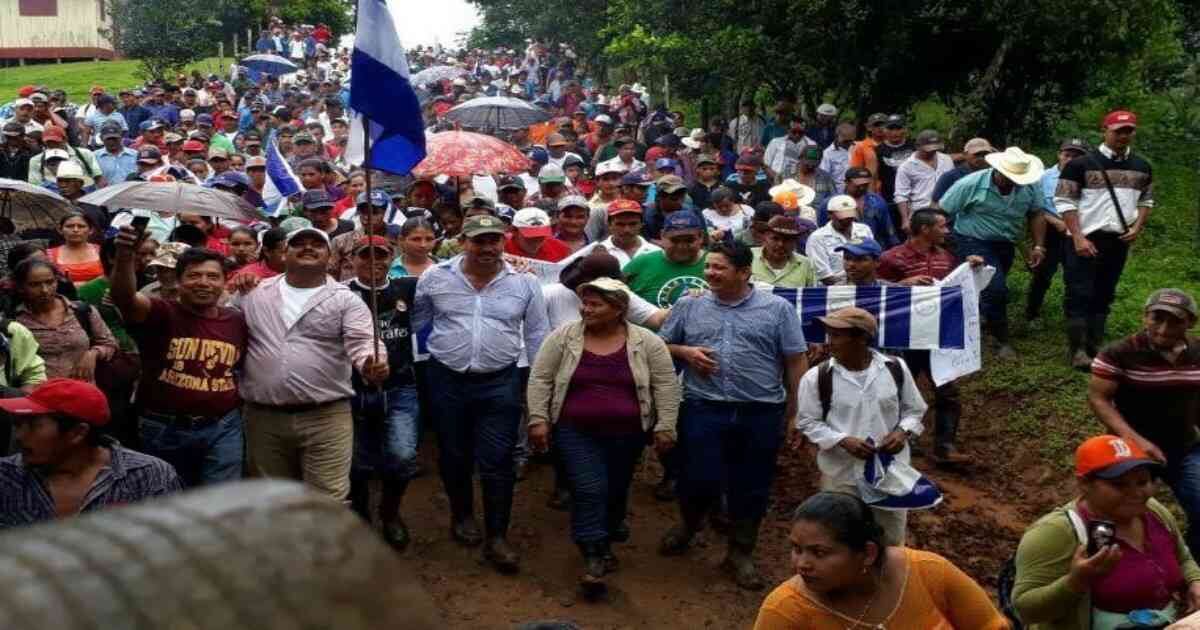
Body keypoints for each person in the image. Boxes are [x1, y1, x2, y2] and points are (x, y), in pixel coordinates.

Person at [658, 241, 808, 590]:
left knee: (751, 485)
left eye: (719, 267)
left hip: (760, 412)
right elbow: (659, 347)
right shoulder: (688, 305)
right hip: (702, 407)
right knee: (696, 477)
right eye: (708, 267)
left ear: (744, 272)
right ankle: (688, 526)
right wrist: (685, 351)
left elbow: (795, 360)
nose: (710, 273)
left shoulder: (777, 309)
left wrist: (796, 413)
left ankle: (740, 553)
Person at [412, 214, 550, 573]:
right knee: (454, 453)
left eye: (494, 240)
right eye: (479, 241)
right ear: (462, 242)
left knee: (498, 458)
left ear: (504, 241)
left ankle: (497, 536)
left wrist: (539, 388)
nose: (487, 248)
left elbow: (537, 335)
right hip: (446, 378)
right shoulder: (434, 277)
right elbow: (416, 320)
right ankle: (461, 516)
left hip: (499, 381)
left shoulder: (524, 283)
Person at [526, 277, 680, 596]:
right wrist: (538, 419)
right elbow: (540, 378)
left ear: (618, 309)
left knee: (616, 488)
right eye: (586, 303)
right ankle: (593, 553)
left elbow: (665, 384)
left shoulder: (646, 342)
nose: (587, 309)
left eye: (596, 304)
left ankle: (607, 535)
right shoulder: (564, 338)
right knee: (589, 487)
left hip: (628, 433)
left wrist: (666, 424)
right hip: (575, 430)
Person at [236, 226, 389, 501]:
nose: (308, 247)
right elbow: (222, 324)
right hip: (263, 418)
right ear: (285, 253)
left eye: (316, 244)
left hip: (326, 417)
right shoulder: (253, 293)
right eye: (299, 243)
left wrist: (371, 363)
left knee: (328, 500)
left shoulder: (346, 300)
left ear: (330, 256)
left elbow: (363, 340)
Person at [109, 224, 247, 488]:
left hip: (223, 427)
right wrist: (125, 254)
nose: (204, 283)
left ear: (223, 282)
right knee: (168, 503)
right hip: (164, 428)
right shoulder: (160, 312)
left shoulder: (236, 320)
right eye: (194, 276)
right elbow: (124, 297)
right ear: (178, 280)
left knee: (221, 504)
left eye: (212, 276)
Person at [1013, 435, 1200, 629]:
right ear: (1084, 484)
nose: (1136, 493)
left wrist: (1195, 581)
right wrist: (1075, 582)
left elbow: (1183, 558)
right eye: (1119, 485)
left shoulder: (1153, 512)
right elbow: (1025, 610)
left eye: (1143, 482)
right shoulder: (1056, 532)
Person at [754, 492, 1008, 629]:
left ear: (868, 553)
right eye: (796, 549)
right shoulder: (784, 611)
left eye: (819, 553)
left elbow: (989, 625)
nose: (802, 564)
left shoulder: (929, 573)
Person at [795, 306, 927, 546]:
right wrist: (842, 440)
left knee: (889, 541)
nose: (829, 342)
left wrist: (902, 432)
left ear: (862, 337)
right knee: (840, 540)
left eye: (837, 335)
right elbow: (807, 421)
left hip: (890, 475)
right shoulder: (817, 377)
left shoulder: (895, 368)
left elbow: (915, 409)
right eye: (829, 334)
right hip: (841, 476)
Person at [1089, 288, 1200, 557]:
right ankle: (1100, 564)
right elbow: (1099, 398)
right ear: (1144, 317)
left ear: (1190, 323)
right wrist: (1135, 440)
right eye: (1156, 318)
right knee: (1112, 509)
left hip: (1183, 447)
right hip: (1130, 451)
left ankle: (1189, 568)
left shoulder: (1197, 352)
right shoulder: (1120, 352)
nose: (1163, 329)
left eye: (1174, 321)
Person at [0, 378, 182, 528]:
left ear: (77, 433)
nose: (19, 436)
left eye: (32, 426)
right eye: (18, 425)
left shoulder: (149, 477)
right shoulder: (5, 477)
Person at [878, 208, 981, 465]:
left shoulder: (947, 258)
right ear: (925, 229)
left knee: (948, 390)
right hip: (905, 337)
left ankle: (945, 446)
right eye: (943, 226)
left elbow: (955, 286)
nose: (947, 231)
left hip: (938, 336)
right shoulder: (892, 258)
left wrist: (971, 269)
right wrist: (901, 285)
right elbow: (873, 288)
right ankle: (902, 439)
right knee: (901, 389)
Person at [1055, 111, 1154, 369]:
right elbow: (1064, 202)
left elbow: (1146, 200)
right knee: (1079, 291)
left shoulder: (1142, 166)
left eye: (1129, 130)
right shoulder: (1080, 165)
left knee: (1105, 292)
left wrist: (1138, 227)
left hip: (1118, 240)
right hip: (1085, 237)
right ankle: (1076, 350)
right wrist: (1077, 237)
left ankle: (1094, 346)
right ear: (1105, 130)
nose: (1123, 135)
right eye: (1118, 130)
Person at [344, 235, 421, 551]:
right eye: (366, 256)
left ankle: (390, 512)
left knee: (402, 456)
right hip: (352, 389)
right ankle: (361, 514)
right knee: (358, 463)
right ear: (353, 259)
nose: (374, 262)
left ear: (393, 257)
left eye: (381, 255)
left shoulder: (408, 288)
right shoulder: (341, 293)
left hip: (400, 387)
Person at [940, 146, 1047, 359]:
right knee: (997, 288)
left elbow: (1036, 213)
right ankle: (1002, 339)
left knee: (987, 287)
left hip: (1005, 242)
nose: (1015, 182)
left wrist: (1038, 246)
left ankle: (981, 318)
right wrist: (948, 243)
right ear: (999, 171)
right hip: (972, 240)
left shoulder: (1030, 186)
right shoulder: (970, 184)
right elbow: (941, 210)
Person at [13, 258, 118, 381]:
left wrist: (93, 354)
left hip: (83, 391)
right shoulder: (14, 320)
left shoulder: (81, 311)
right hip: (38, 394)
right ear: (21, 287)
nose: (44, 290)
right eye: (34, 285)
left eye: (50, 282)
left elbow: (110, 344)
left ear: (57, 281)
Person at [1027, 138, 1088, 328]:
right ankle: (1031, 314)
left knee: (1075, 276)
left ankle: (1073, 318)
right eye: (1067, 155)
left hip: (1078, 232)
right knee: (1042, 274)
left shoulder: (1090, 179)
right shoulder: (1043, 177)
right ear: (1059, 155)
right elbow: (1035, 208)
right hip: (1050, 232)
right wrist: (1056, 222)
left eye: (1076, 156)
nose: (1070, 159)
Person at [623, 211, 708, 308]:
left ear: (701, 236)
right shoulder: (641, 263)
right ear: (662, 236)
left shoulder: (716, 264)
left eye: (689, 240)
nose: (682, 246)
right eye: (675, 240)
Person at [818, 166, 899, 249]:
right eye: (857, 185)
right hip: (839, 248)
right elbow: (822, 229)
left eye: (865, 185)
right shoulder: (830, 203)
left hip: (871, 248)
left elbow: (888, 230)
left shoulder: (877, 202)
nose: (862, 188)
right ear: (846, 182)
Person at [806, 195, 875, 285]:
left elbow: (872, 260)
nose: (846, 221)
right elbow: (824, 276)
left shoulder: (864, 229)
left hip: (865, 285)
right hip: (834, 290)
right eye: (842, 219)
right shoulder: (817, 238)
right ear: (830, 215)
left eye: (849, 218)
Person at [894, 130, 954, 233]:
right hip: (922, 214)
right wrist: (905, 219)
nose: (932, 152)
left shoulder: (946, 160)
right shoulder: (906, 166)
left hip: (946, 212)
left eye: (935, 149)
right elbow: (901, 195)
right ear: (918, 146)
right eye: (928, 150)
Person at [582, 199, 662, 266]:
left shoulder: (656, 252)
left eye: (633, 224)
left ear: (641, 224)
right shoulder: (596, 254)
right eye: (620, 224)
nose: (626, 230)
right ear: (609, 225)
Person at [751, 215, 819, 288]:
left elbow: (811, 296)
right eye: (775, 239)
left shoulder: (806, 264)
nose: (781, 244)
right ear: (764, 238)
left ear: (794, 242)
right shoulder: (748, 257)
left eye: (787, 240)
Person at [931, 137, 996, 203]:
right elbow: (936, 202)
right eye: (977, 154)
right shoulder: (950, 177)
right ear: (965, 154)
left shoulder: (993, 176)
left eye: (985, 154)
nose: (981, 158)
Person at [48, 212, 103, 286]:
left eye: (81, 226)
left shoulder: (102, 252)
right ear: (60, 230)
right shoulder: (49, 255)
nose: (75, 230)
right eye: (69, 226)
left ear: (91, 230)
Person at [506, 207, 571, 262]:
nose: (536, 241)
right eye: (531, 236)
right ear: (514, 230)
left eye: (541, 236)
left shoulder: (560, 249)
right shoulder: (501, 247)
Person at [763, 118, 815, 183]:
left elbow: (813, 167)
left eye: (801, 132)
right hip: (776, 180)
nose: (797, 135)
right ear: (788, 130)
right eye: (794, 132)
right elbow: (766, 164)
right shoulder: (775, 142)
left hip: (800, 182)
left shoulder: (811, 145)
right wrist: (775, 178)